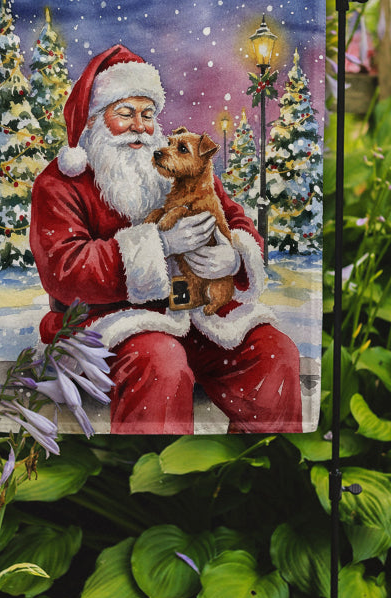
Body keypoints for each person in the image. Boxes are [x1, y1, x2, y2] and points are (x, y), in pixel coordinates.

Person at [29, 44, 303, 434]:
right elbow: (65, 269)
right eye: (125, 113)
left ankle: (264, 471)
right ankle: (154, 484)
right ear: (93, 120)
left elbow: (236, 220)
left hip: (190, 315)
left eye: (147, 114)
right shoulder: (60, 183)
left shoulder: (175, 165)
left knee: (273, 351)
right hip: (104, 325)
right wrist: (157, 247)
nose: (140, 125)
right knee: (160, 362)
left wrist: (235, 257)